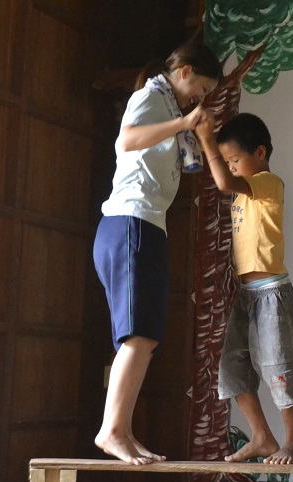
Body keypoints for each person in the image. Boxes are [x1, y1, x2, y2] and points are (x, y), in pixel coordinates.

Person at [93, 42, 222, 465]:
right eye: (202, 88)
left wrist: (194, 129)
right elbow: (128, 139)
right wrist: (184, 122)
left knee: (144, 338)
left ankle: (122, 431)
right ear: (185, 72)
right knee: (137, 336)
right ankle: (111, 430)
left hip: (145, 226)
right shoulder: (151, 96)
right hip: (130, 222)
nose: (200, 98)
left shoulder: (169, 109)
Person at [195, 112, 293, 465]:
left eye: (234, 160)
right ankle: (261, 436)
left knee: (277, 365)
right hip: (246, 296)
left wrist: (206, 140)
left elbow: (224, 183)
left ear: (260, 152)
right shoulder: (244, 193)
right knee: (231, 367)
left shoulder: (268, 182)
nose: (230, 167)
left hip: (271, 293)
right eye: (227, 161)